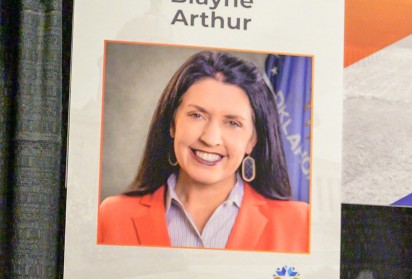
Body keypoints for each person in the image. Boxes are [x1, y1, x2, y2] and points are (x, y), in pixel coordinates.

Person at [97, 50, 309, 252]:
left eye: (233, 123)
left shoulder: (298, 224)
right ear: (172, 124)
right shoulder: (114, 216)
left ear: (252, 140)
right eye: (197, 115)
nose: (209, 138)